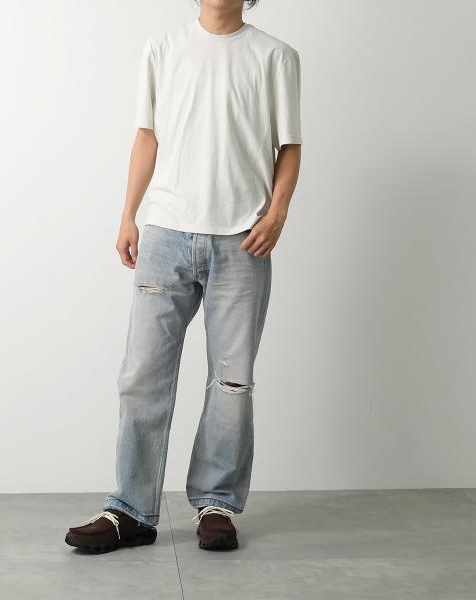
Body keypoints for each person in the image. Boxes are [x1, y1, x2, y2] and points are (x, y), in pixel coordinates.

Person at [66, 0, 302, 554]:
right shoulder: (162, 49)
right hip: (166, 235)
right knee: (141, 375)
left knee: (231, 382)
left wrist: (277, 213)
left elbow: (289, 145)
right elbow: (146, 136)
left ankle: (216, 505)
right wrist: (128, 214)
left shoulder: (276, 56)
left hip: (243, 239)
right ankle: (130, 510)